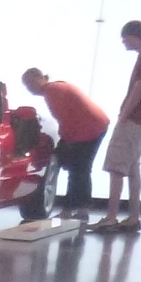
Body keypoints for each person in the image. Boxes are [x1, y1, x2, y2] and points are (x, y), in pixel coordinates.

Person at [94, 22, 141, 233]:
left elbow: (140, 86)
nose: (123, 41)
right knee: (132, 168)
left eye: (126, 37)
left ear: (134, 36)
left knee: (116, 167)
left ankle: (111, 217)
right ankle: (133, 217)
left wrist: (124, 113)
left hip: (134, 120)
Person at [21, 68, 109, 218]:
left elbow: (65, 119)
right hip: (91, 127)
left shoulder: (53, 91)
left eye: (30, 83)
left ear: (40, 78)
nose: (29, 88)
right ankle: (73, 210)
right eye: (26, 85)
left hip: (90, 129)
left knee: (80, 169)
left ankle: (77, 210)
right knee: (78, 169)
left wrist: (67, 141)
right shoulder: (55, 89)